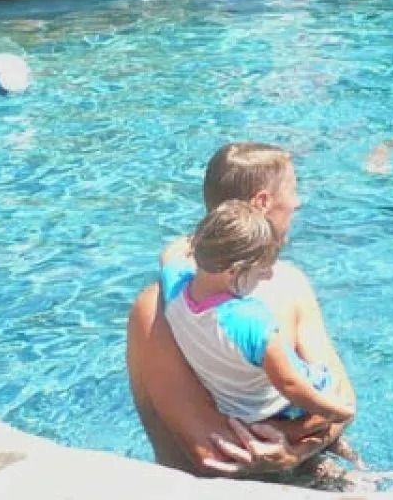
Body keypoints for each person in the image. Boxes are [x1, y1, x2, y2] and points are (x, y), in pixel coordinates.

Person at [126, 142, 357, 477]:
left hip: (295, 468)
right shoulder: (155, 310)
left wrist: (295, 451)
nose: (298, 202)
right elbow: (210, 452)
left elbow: (344, 398)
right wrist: (303, 437)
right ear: (262, 203)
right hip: (208, 494)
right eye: (293, 190)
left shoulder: (290, 282)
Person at [161, 200, 355, 428]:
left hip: (234, 410)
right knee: (334, 384)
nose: (268, 276)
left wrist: (207, 237)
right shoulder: (250, 320)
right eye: (262, 270)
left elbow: (170, 253)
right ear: (234, 271)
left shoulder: (174, 287)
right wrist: (336, 412)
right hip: (284, 408)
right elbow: (290, 384)